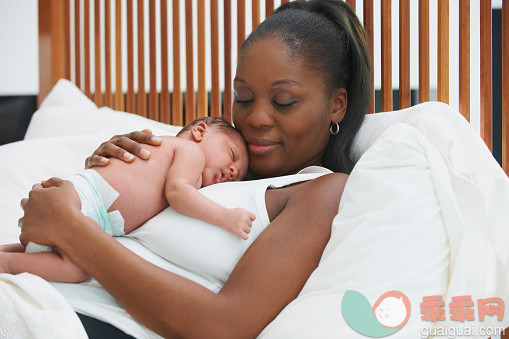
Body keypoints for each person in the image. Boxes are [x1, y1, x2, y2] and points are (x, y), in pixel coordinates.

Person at [16, 0, 371, 337]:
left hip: (85, 322)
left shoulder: (322, 192)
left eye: (284, 102)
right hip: (32, 293)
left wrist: (72, 229)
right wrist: (104, 180)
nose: (256, 118)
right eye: (243, 98)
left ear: (337, 105)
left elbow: (223, 326)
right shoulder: (209, 166)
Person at [0, 117, 253, 282]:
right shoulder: (189, 152)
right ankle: (8, 265)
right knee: (78, 269)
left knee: (39, 251)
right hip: (85, 202)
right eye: (232, 155)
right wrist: (225, 216)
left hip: (86, 208)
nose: (233, 171)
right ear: (200, 131)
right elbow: (178, 192)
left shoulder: (186, 167)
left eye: (238, 177)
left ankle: (9, 254)